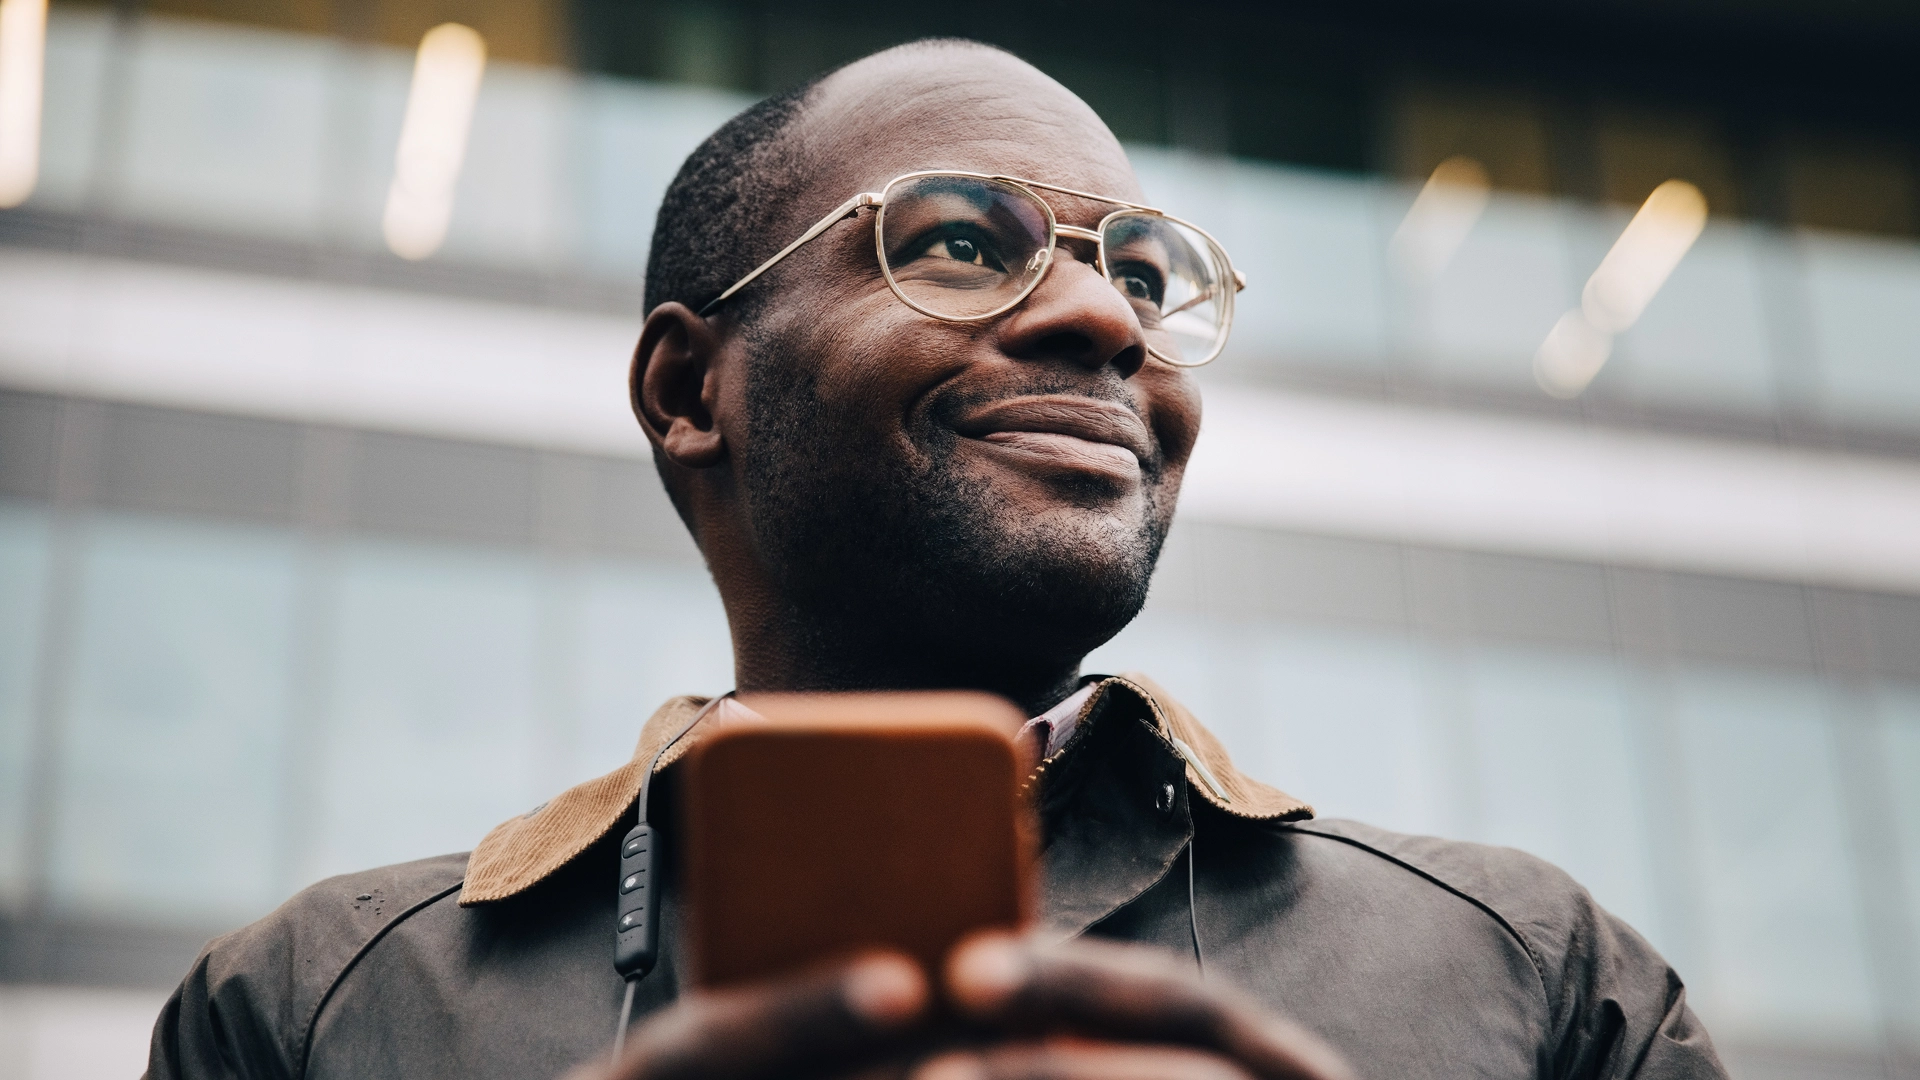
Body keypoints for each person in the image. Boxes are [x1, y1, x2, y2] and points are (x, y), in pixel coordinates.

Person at [146, 39, 1726, 1080]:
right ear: (693, 391)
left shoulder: (1536, 981)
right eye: (965, 242)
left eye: (1142, 272)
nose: (1109, 318)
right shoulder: (308, 1013)